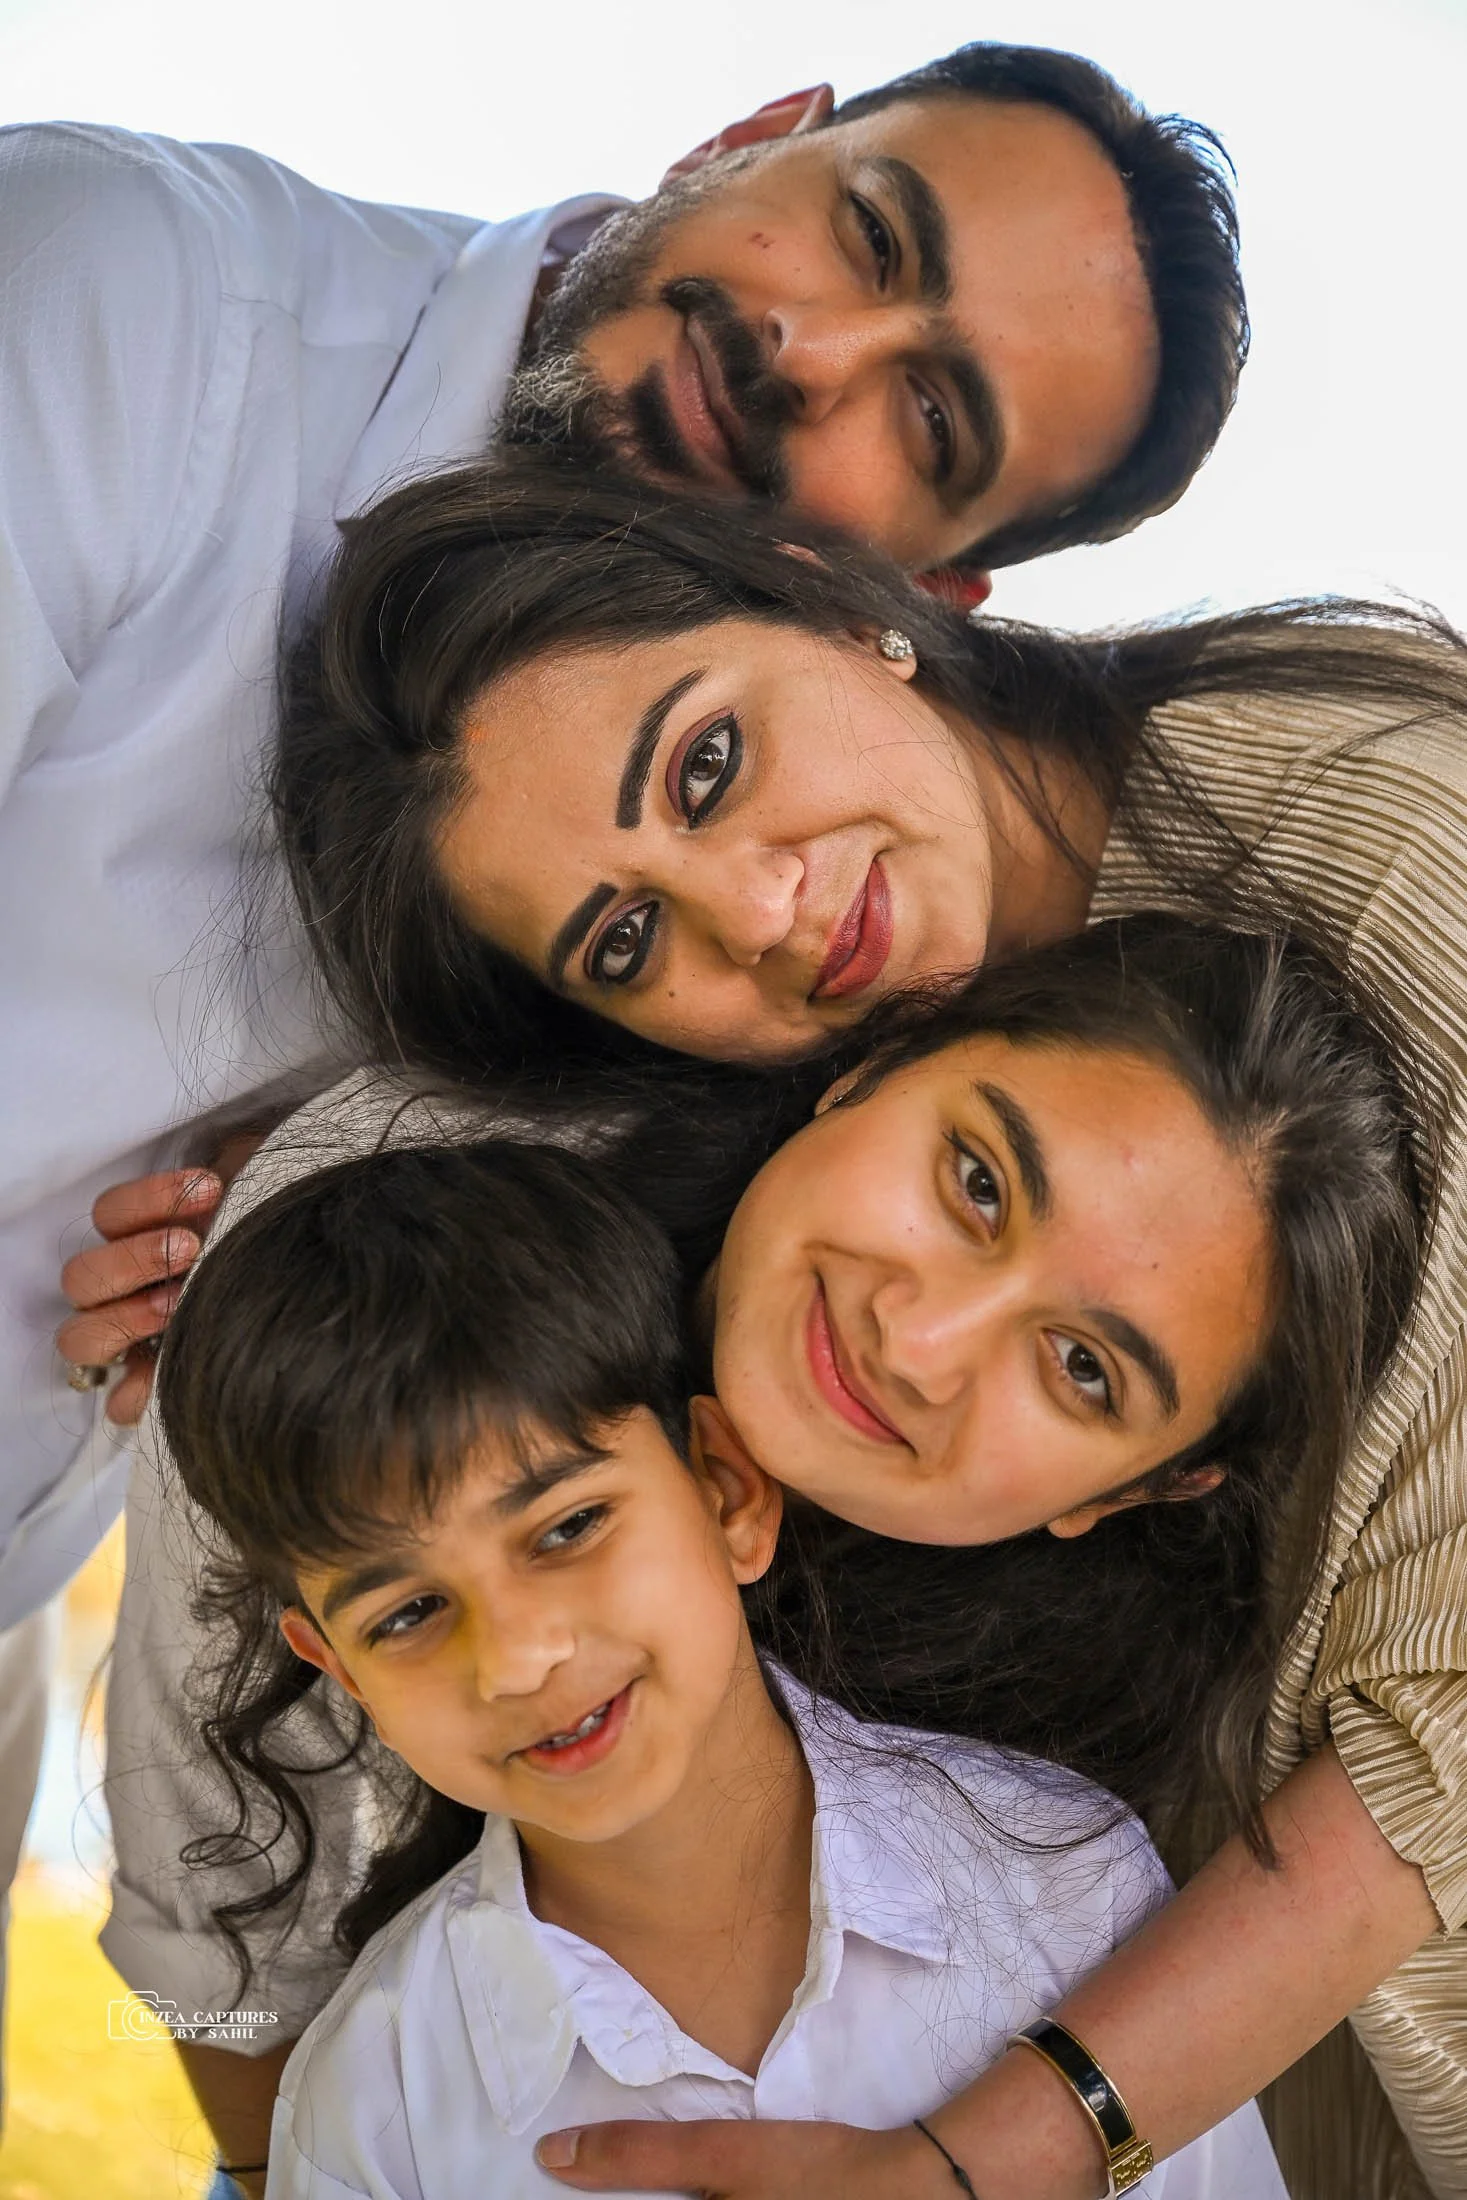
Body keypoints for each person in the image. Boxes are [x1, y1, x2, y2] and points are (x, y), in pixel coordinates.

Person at [0, 36, 1246, 2085]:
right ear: (757, 131)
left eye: (926, 418)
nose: (802, 344)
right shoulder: (128, 308)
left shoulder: (760, 966)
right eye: (862, 229)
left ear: (909, 587)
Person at [99, 911, 1436, 2198]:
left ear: (1139, 1489)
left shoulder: (1061, 1863)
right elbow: (213, 1918)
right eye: (974, 1181)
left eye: (1081, 1369)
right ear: (865, 1066)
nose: (917, 1344)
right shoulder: (331, 1273)